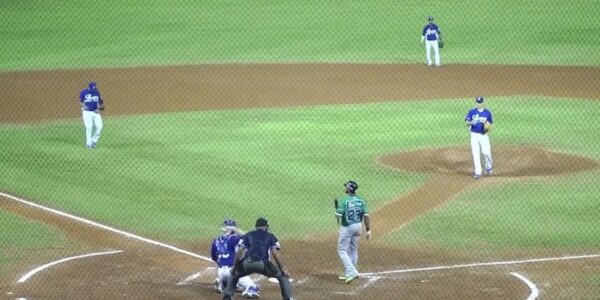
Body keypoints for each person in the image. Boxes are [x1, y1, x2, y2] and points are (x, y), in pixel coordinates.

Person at [223, 218, 295, 300]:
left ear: (256, 227)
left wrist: (235, 267)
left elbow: (239, 251)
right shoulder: (270, 236)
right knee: (282, 276)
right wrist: (282, 268)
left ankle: (227, 296)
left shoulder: (248, 235)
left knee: (234, 274)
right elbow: (275, 253)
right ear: (266, 227)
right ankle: (288, 298)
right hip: (263, 264)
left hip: (247, 263)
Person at [211, 218, 260, 298]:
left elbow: (215, 259)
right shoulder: (233, 238)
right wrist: (233, 229)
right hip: (232, 271)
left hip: (220, 272)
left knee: (234, 283)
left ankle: (223, 282)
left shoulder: (215, 241)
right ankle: (250, 289)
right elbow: (247, 236)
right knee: (255, 287)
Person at [334, 180, 371, 284]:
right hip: (358, 226)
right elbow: (366, 215)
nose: (345, 188)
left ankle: (351, 271)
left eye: (346, 187)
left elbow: (338, 215)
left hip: (347, 227)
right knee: (353, 249)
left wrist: (336, 210)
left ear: (349, 189)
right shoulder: (361, 200)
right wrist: (368, 230)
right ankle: (349, 272)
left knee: (342, 250)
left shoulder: (344, 200)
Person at [465, 96, 494, 179]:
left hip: (483, 136)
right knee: (475, 154)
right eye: (478, 103)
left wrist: (487, 128)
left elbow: (489, 123)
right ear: (476, 103)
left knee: (486, 152)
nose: (479, 104)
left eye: (480, 103)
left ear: (483, 103)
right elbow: (467, 122)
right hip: (474, 135)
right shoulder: (471, 112)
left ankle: (489, 166)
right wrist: (471, 122)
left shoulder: (487, 113)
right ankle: (478, 172)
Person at [79, 81, 104, 149]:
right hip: (86, 113)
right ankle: (88, 144)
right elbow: (81, 101)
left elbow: (100, 102)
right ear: (88, 87)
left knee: (100, 127)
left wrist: (99, 108)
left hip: (95, 112)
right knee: (89, 127)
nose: (93, 90)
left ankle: (94, 141)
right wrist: (84, 106)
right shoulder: (83, 92)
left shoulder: (96, 92)